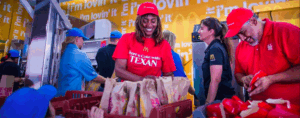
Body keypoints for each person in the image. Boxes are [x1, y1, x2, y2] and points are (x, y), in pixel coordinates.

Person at [225, 8, 300, 105]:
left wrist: (271, 79)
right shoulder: (241, 47)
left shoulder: (286, 32)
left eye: (242, 32)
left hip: (292, 108)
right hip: (258, 108)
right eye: (237, 35)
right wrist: (244, 79)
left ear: (253, 21)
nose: (242, 38)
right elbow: (238, 74)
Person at [112, 2, 176, 81]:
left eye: (153, 21)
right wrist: (142, 80)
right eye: (145, 21)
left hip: (152, 91)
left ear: (157, 23)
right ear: (139, 22)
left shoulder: (163, 45)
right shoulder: (126, 39)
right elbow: (119, 70)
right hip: (129, 91)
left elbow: (168, 74)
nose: (149, 25)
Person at [57, 28, 106, 97]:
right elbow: (93, 77)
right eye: (82, 39)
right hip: (71, 96)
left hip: (60, 94)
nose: (83, 41)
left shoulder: (62, 52)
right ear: (77, 39)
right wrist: (109, 82)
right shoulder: (79, 54)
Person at [198, 17, 235, 104]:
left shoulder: (215, 49)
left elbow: (215, 79)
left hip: (220, 101)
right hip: (222, 100)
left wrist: (208, 103)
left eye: (202, 28)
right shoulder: (217, 47)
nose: (199, 31)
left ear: (211, 32)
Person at [163, 30, 195, 95]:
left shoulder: (154, 55)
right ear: (171, 42)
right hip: (170, 95)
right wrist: (194, 94)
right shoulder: (173, 56)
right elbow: (182, 78)